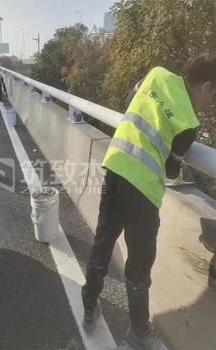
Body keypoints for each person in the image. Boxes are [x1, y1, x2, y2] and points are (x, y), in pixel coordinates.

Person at [81, 54, 216, 350]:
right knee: (139, 268)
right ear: (206, 87)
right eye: (213, 94)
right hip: (142, 193)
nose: (210, 102)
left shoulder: (156, 74)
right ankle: (139, 334)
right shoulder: (189, 122)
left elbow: (131, 101)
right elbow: (171, 170)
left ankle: (89, 308)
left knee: (102, 245)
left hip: (115, 169)